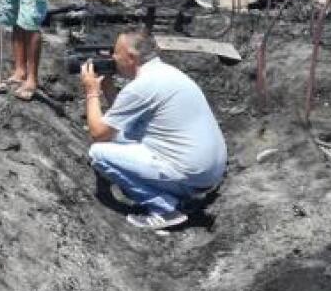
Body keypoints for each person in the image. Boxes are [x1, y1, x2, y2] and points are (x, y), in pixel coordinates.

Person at [81, 30, 227, 230]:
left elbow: (98, 133)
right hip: (209, 171)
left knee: (99, 153)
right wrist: (107, 87)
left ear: (131, 58)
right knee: (122, 136)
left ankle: (165, 209)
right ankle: (178, 196)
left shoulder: (141, 87)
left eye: (116, 53)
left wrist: (91, 92)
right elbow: (124, 122)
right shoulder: (166, 72)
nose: (113, 58)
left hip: (192, 175)